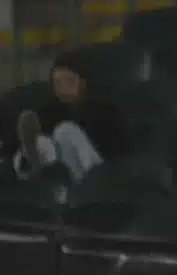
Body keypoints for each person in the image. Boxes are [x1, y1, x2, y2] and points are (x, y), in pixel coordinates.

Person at [11, 51, 130, 183]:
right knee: (40, 141)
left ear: (82, 83)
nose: (63, 87)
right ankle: (31, 170)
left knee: (65, 131)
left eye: (69, 81)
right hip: (59, 174)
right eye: (57, 82)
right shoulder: (47, 112)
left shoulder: (105, 111)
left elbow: (122, 152)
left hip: (98, 173)